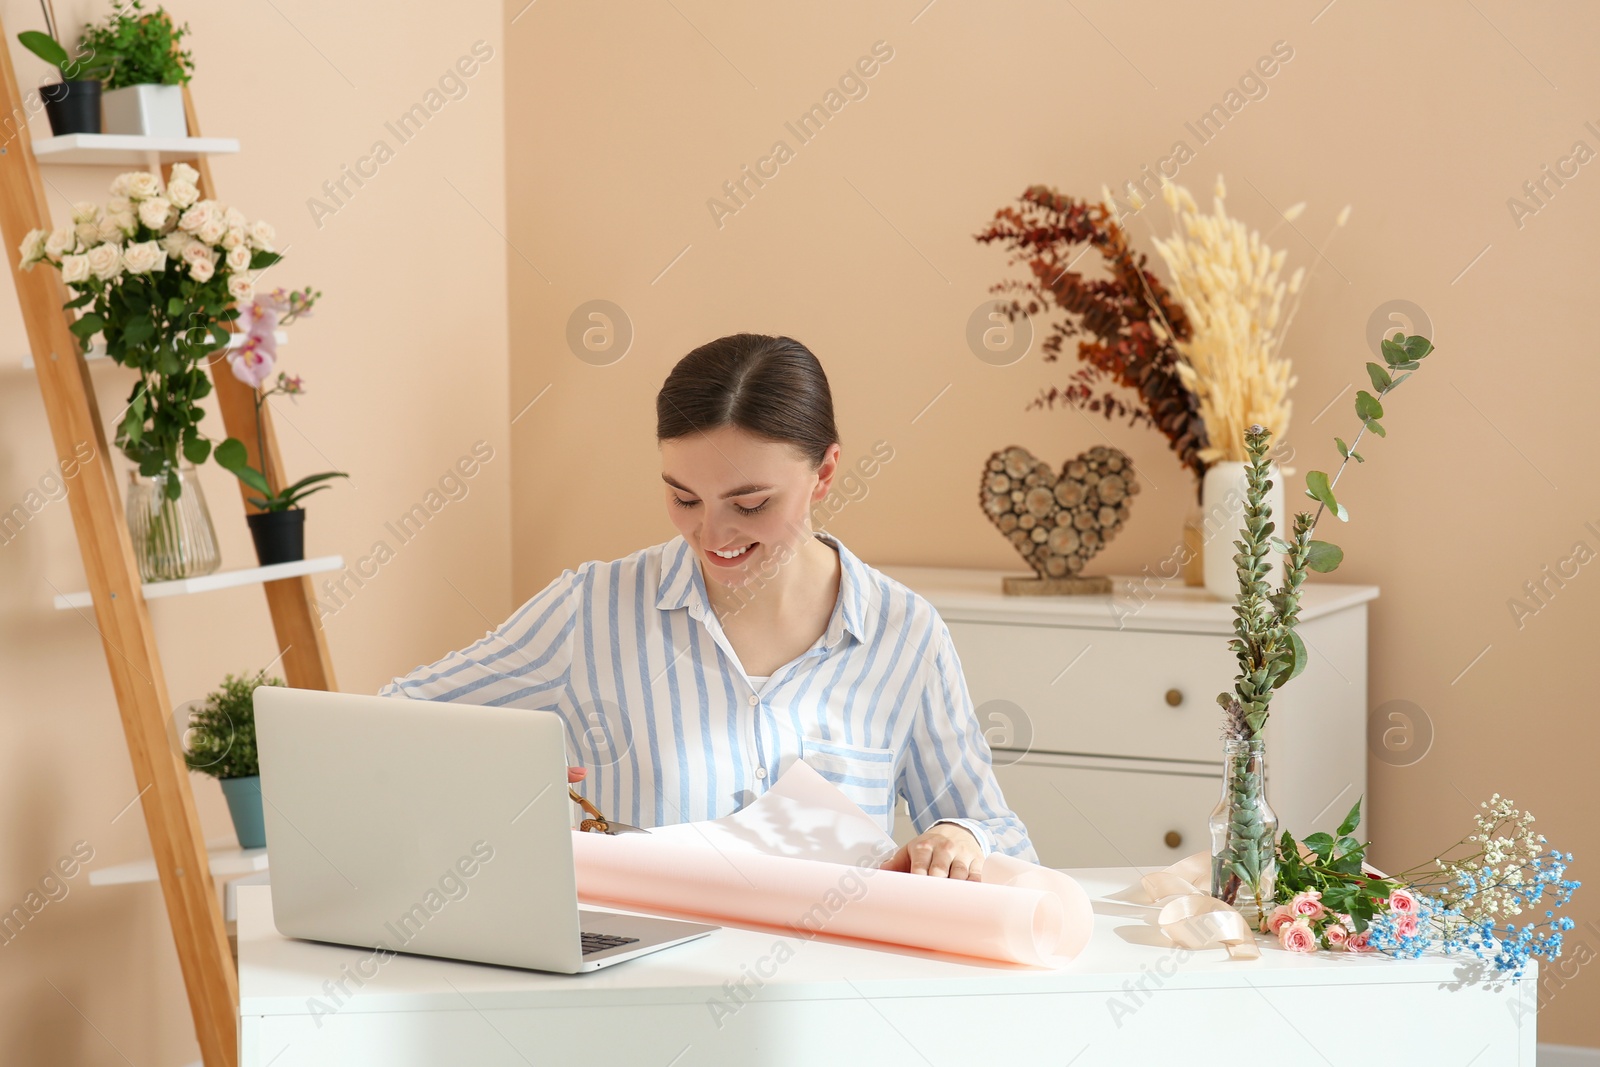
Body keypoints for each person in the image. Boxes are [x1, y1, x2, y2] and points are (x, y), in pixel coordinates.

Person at [379, 333, 1037, 879]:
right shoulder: (590, 609)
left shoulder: (905, 633)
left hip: (829, 994)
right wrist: (503, 778)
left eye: (751, 504)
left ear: (826, 474)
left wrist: (958, 837)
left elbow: (999, 831)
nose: (713, 536)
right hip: (635, 996)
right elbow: (394, 720)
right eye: (684, 498)